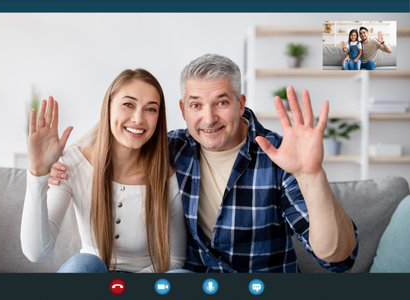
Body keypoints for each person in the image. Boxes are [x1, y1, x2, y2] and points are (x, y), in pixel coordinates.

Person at [50, 54, 358, 273]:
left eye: (222, 103)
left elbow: (337, 256)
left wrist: (312, 175)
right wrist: (61, 164)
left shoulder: (279, 154)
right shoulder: (170, 149)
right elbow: (117, 139)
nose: (208, 118)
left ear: (241, 103)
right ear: (183, 109)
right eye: (196, 104)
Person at [20, 69, 186, 273]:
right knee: (84, 264)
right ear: (108, 108)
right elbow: (35, 252)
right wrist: (38, 172)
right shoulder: (72, 164)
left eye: (151, 109)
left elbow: (176, 261)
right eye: (128, 104)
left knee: (181, 275)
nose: (138, 118)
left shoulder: (167, 176)